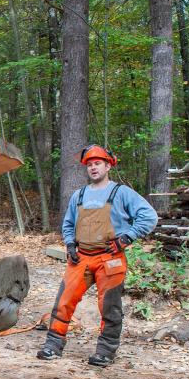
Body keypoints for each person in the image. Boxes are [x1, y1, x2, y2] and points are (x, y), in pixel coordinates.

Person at [37, 145, 158, 367]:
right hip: (81, 257)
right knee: (63, 301)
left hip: (110, 258)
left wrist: (127, 237)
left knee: (110, 306)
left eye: (98, 163)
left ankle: (106, 351)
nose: (93, 168)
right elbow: (68, 224)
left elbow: (149, 216)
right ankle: (53, 345)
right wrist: (70, 244)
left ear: (108, 165)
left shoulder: (121, 192)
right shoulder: (79, 195)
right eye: (90, 165)